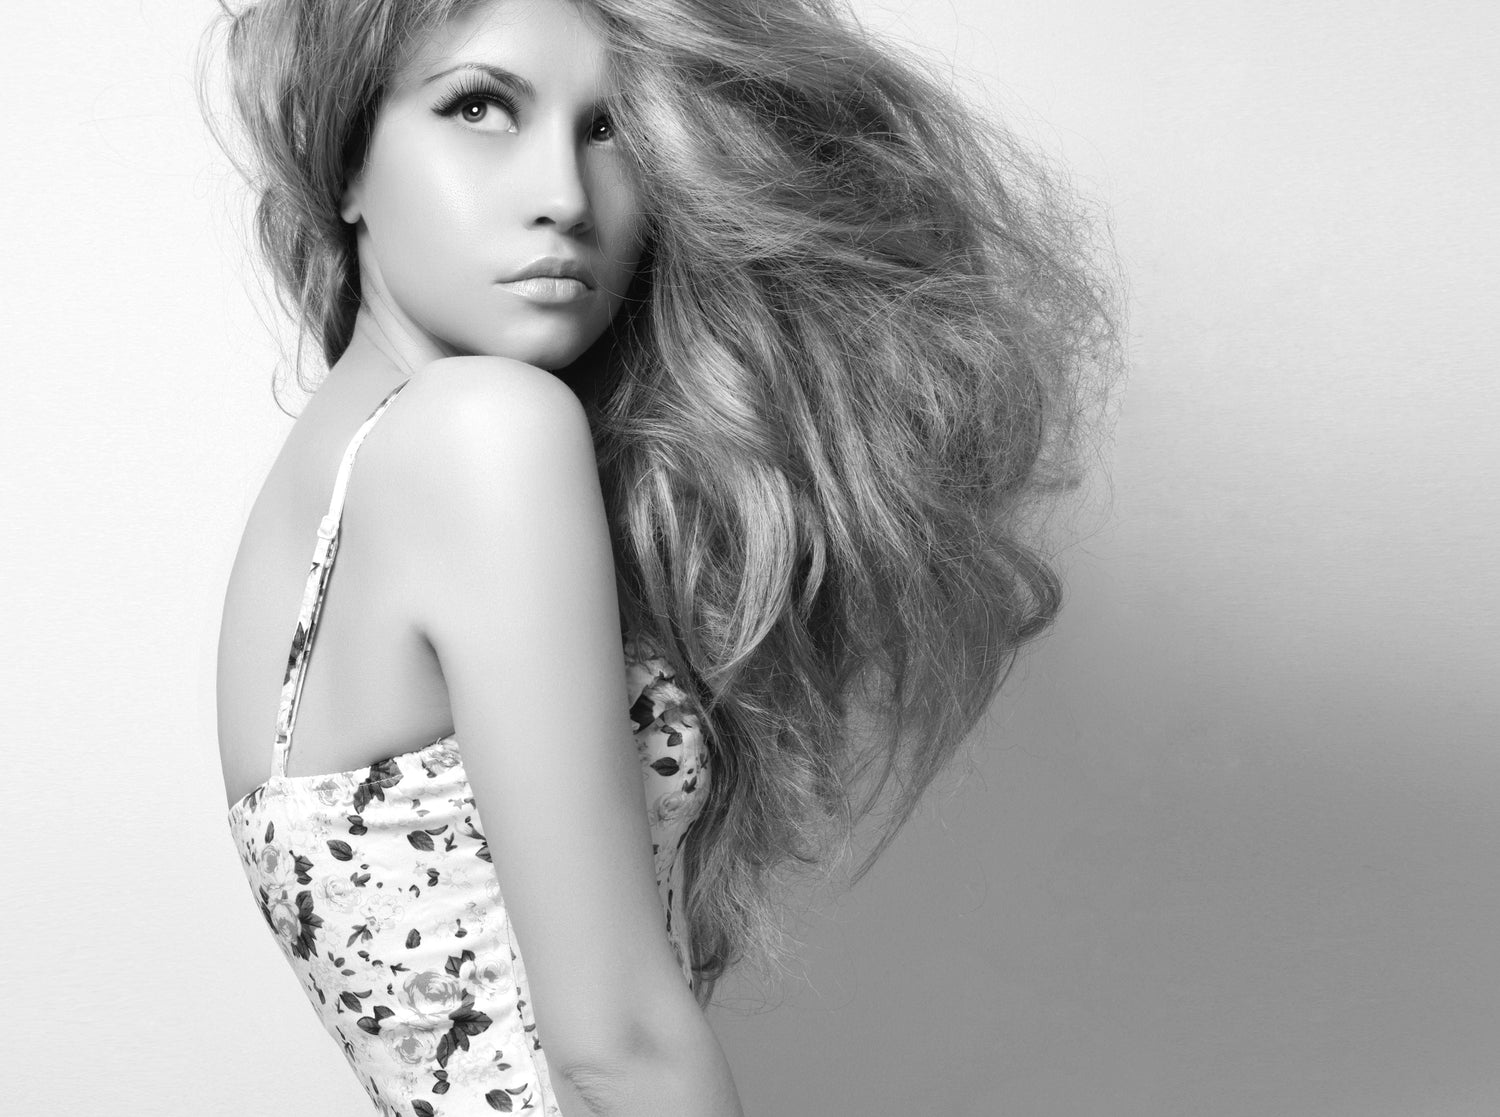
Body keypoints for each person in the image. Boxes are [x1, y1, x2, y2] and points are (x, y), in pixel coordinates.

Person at [204, 0, 1118, 1113]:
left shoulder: (348, 471)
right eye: (480, 106)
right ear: (342, 161)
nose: (560, 196)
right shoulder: (480, 432)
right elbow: (614, 1046)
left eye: (613, 127)